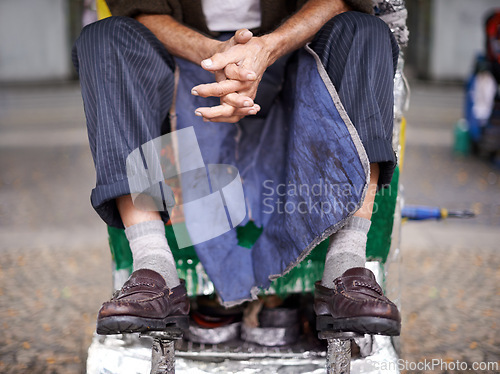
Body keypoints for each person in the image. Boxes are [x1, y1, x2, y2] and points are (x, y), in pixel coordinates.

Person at [72, 0, 401, 337]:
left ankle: (346, 269)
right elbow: (139, 7)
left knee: (365, 32)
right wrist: (216, 55)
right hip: (182, 61)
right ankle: (154, 270)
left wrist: (268, 48)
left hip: (296, 53)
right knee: (104, 38)